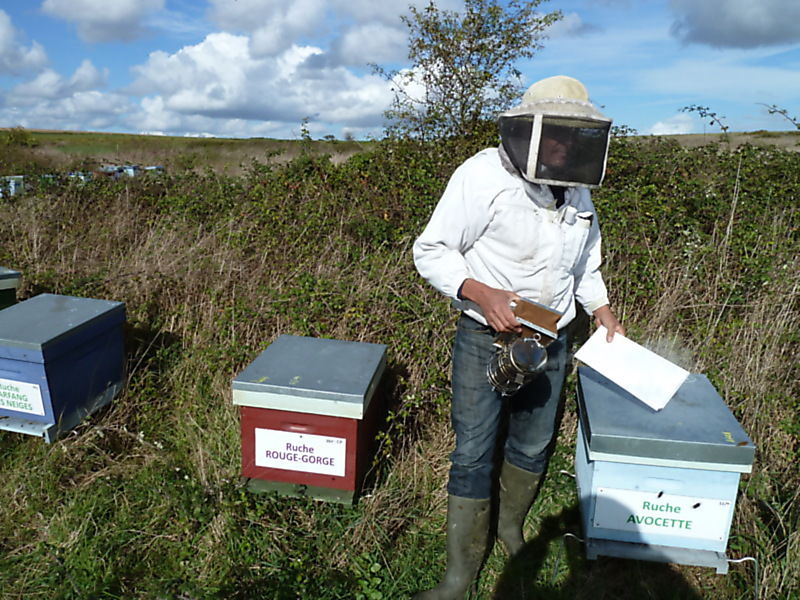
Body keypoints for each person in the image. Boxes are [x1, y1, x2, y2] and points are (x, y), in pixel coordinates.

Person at [412, 75, 625, 599]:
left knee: (533, 443)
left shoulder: (575, 187)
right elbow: (432, 249)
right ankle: (458, 577)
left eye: (574, 134)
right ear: (526, 130)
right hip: (487, 335)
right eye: (556, 132)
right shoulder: (483, 175)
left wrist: (600, 308)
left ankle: (510, 529)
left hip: (551, 338)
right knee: (473, 451)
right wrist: (479, 292)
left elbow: (585, 261)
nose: (565, 144)